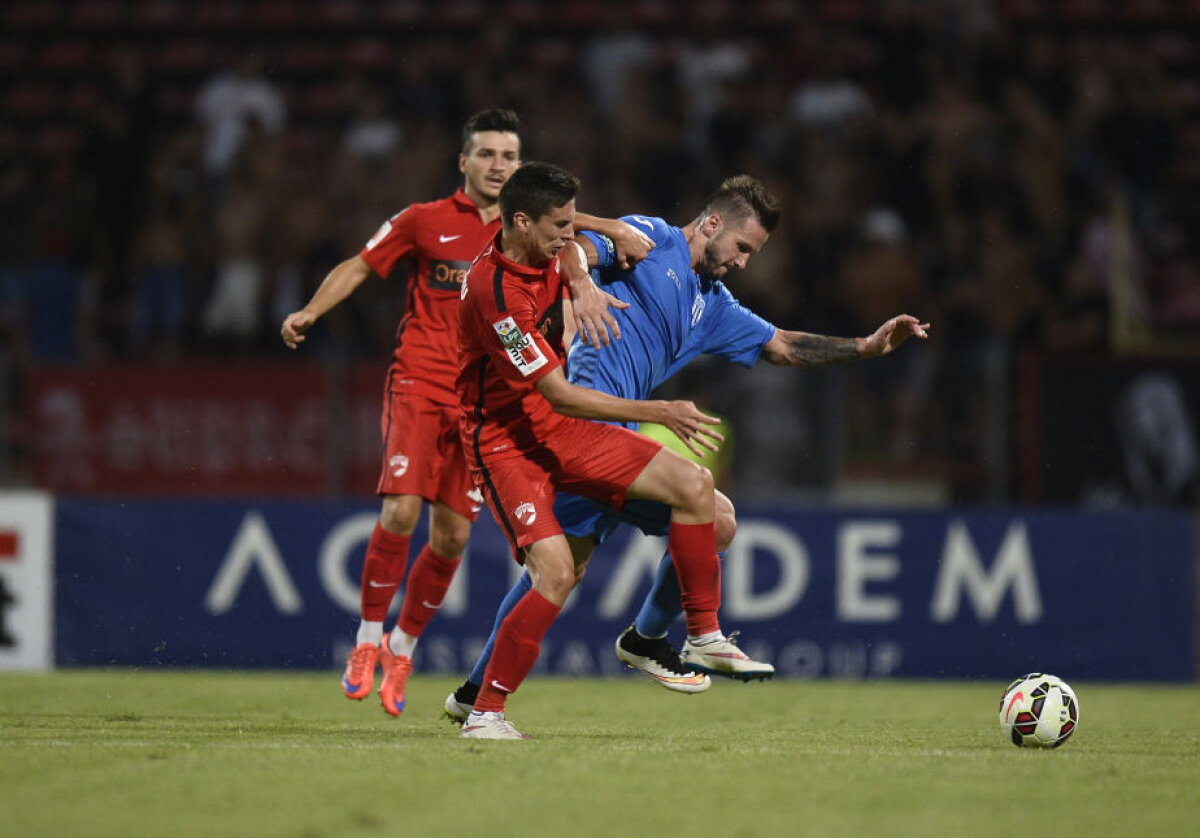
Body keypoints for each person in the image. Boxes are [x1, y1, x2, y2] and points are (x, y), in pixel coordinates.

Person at [445, 174, 930, 718]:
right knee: (691, 505)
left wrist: (864, 347)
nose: (745, 261)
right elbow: (575, 246)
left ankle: (478, 694)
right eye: (743, 247)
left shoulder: (714, 306)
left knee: (567, 567)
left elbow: (783, 345)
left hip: (604, 432)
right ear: (713, 223)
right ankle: (668, 637)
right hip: (580, 423)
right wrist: (581, 285)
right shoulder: (651, 240)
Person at [279, 110, 651, 717]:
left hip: (488, 408)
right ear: (464, 161)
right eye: (487, 154)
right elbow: (359, 265)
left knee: (451, 536)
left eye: (509, 155)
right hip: (422, 384)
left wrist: (607, 236)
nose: (498, 164)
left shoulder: (528, 228)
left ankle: (403, 650)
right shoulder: (423, 221)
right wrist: (311, 312)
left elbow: (571, 224)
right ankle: (367, 640)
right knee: (402, 511)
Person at [455, 161, 749, 740]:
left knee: (700, 492)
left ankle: (699, 634)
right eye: (559, 224)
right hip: (507, 442)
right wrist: (658, 411)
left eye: (571, 221)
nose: (569, 234)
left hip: (561, 429)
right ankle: (484, 711)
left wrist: (605, 236)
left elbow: (568, 242)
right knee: (557, 572)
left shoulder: (543, 245)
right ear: (521, 223)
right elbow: (561, 396)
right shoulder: (495, 294)